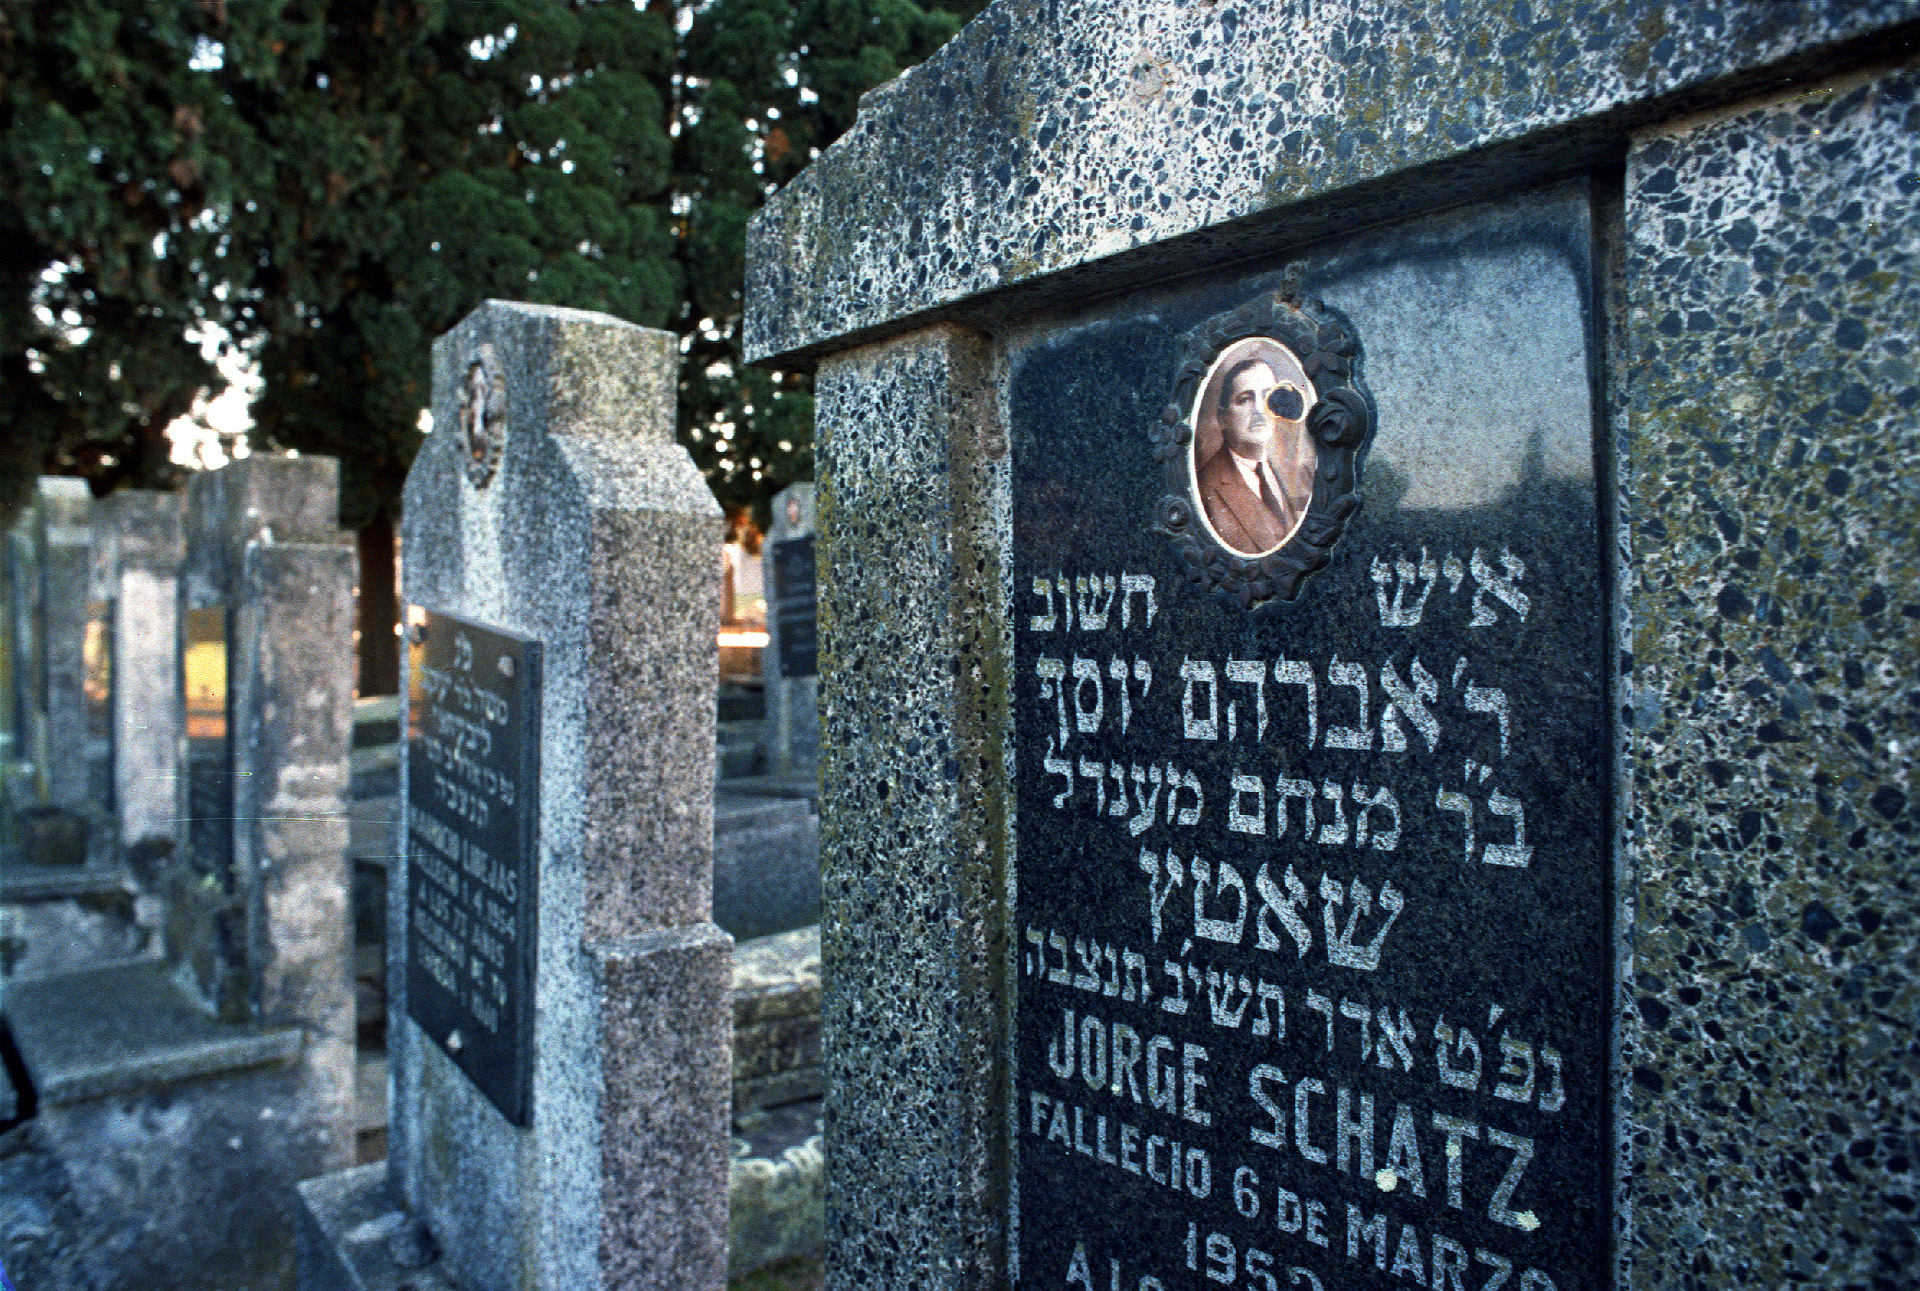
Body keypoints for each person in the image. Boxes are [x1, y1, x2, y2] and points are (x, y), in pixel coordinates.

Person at [1196, 356, 1313, 553]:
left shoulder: (1297, 475)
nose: (1260, 410)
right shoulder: (1207, 486)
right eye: (1245, 399)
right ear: (1222, 418)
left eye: (1268, 396)